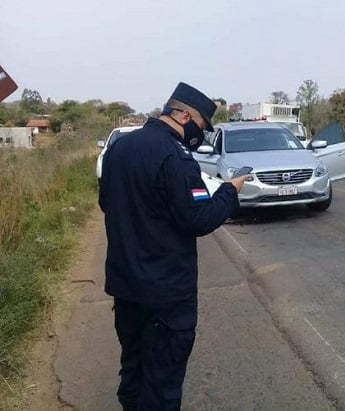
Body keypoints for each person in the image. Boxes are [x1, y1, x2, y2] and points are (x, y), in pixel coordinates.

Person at [99, 82, 249, 410]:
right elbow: (199, 219)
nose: (201, 133)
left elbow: (106, 202)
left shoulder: (119, 148)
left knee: (134, 368)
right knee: (162, 379)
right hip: (165, 293)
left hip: (126, 286)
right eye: (201, 124)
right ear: (181, 114)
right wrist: (229, 190)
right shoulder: (177, 157)